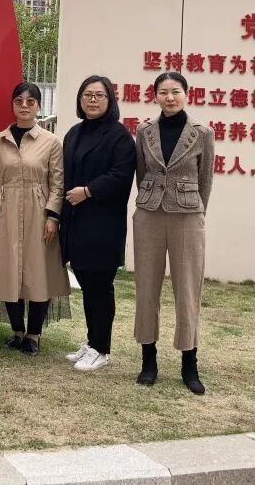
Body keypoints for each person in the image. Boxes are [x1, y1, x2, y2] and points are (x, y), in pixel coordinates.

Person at [132, 71, 215, 395]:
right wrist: (150, 197)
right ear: (155, 96)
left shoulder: (202, 133)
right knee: (146, 288)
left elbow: (205, 179)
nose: (170, 97)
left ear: (186, 94)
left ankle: (189, 363)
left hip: (188, 216)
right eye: (164, 92)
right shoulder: (144, 131)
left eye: (175, 91)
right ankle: (148, 360)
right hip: (149, 213)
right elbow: (142, 173)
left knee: (188, 289)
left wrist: (196, 209)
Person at [0, 82, 68, 356]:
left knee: (38, 271)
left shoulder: (51, 142)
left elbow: (58, 183)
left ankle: (34, 334)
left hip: (38, 213)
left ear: (39, 106)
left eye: (31, 101)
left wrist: (53, 216)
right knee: (9, 271)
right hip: (5, 212)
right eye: (19, 101)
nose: (25, 106)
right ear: (13, 105)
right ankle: (17, 331)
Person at [59, 76, 137, 373]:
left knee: (100, 287)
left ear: (110, 100)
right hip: (75, 222)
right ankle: (91, 342)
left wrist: (88, 191)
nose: (92, 100)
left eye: (99, 95)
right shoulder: (74, 133)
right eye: (87, 95)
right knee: (87, 285)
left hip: (102, 224)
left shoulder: (119, 136)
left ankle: (101, 349)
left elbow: (121, 176)